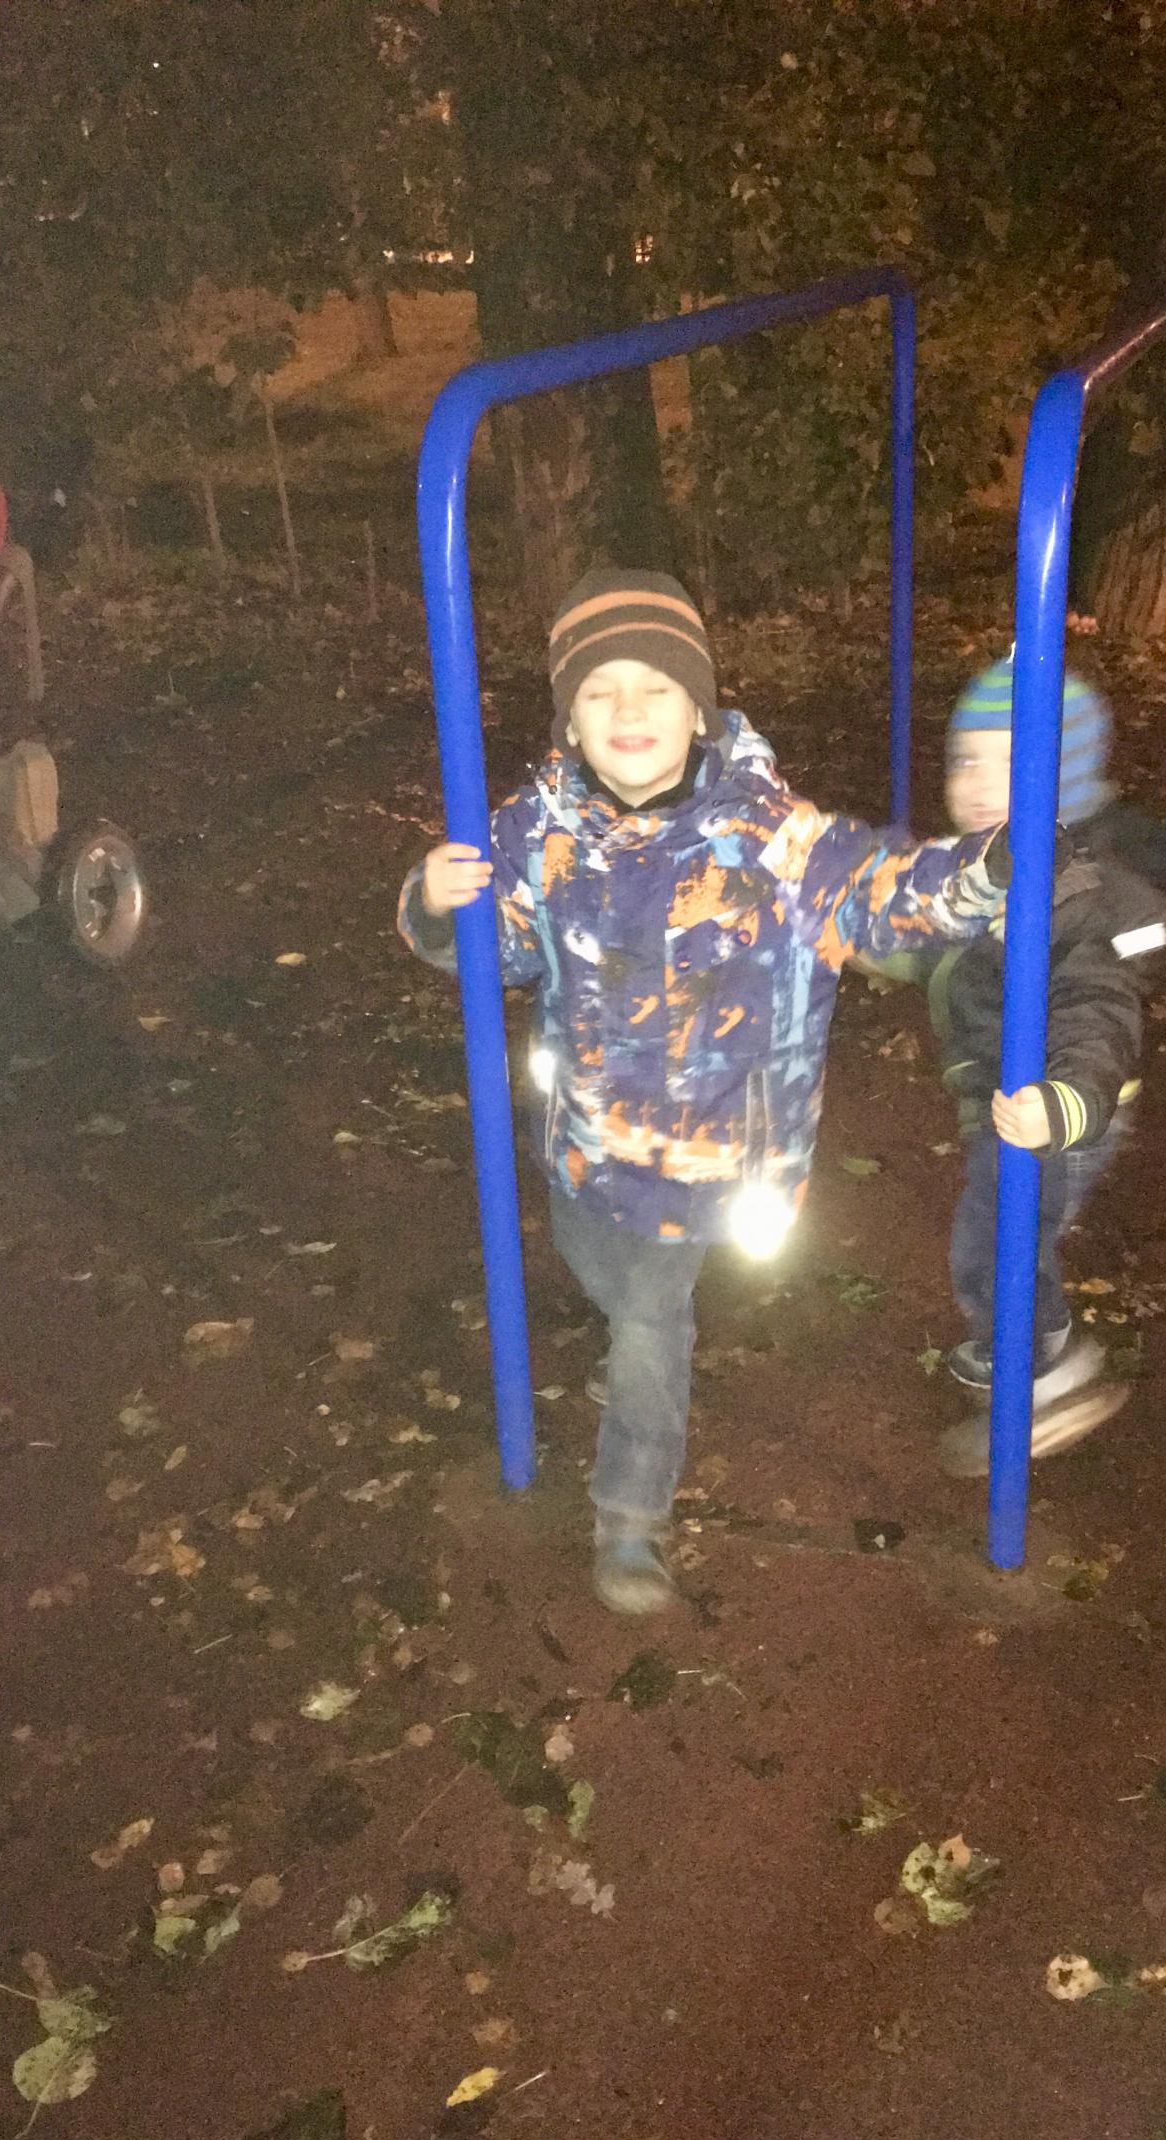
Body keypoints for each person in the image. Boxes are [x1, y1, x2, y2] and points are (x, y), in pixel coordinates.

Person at [399, 570, 1008, 1614]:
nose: (628, 710)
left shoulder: (767, 834)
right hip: (588, 1139)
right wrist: (435, 905)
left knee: (650, 1315)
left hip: (712, 1150)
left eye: (656, 687)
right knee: (598, 1268)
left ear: (699, 709)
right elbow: (498, 953)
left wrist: (984, 872)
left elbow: (877, 891)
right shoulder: (533, 832)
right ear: (569, 721)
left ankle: (629, 1517)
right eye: (599, 692)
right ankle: (634, 1357)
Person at [873, 654, 1166, 1476]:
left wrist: (1066, 1099)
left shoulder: (1078, 894)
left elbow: (1098, 1009)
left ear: (1064, 780)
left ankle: (1049, 1368)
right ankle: (1022, 1337)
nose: (978, 783)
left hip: (1064, 1106)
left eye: (1009, 763)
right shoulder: (982, 863)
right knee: (1002, 1227)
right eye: (966, 759)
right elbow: (936, 939)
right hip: (1006, 1090)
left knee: (994, 1239)